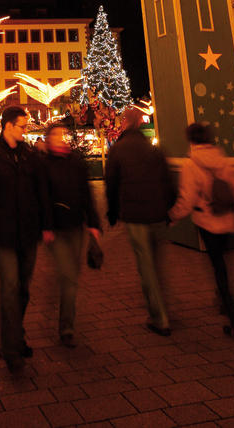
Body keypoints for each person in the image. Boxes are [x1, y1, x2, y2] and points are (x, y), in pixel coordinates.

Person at [0, 105, 53, 373]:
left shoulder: (29, 154)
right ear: (8, 126)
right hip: (6, 233)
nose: (26, 129)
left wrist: (46, 224)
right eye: (22, 125)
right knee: (9, 288)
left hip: (29, 232)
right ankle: (11, 348)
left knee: (23, 288)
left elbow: (40, 191)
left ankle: (17, 334)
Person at [169, 122, 234, 339]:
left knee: (218, 268)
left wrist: (172, 216)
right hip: (228, 221)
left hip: (207, 222)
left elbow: (187, 199)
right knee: (224, 264)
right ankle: (224, 301)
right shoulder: (222, 160)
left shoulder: (191, 164)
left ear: (190, 139)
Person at [105, 106, 175, 337]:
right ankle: (162, 307)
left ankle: (160, 317)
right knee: (156, 263)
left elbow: (112, 185)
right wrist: (169, 209)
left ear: (125, 123)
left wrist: (113, 212)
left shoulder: (119, 150)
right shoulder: (152, 148)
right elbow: (167, 180)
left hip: (136, 215)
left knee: (146, 267)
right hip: (157, 214)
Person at [42, 122, 102, 347]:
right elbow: (42, 198)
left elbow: (86, 193)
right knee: (69, 276)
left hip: (76, 226)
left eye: (62, 134)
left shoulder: (75, 162)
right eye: (55, 135)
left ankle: (66, 311)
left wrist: (93, 223)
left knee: (72, 274)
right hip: (55, 229)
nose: (60, 138)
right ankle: (66, 327)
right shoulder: (44, 164)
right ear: (48, 139)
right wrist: (45, 226)